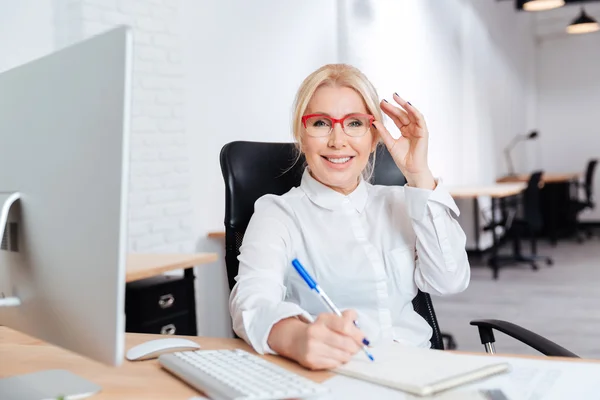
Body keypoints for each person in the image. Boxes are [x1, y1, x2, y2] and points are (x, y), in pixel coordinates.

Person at [229, 63, 470, 371]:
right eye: (320, 123)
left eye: (354, 123)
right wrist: (297, 338)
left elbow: (449, 281)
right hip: (339, 374)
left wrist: (418, 174)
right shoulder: (279, 213)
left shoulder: (402, 202)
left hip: (419, 368)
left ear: (374, 136)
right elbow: (251, 304)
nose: (338, 141)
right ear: (302, 136)